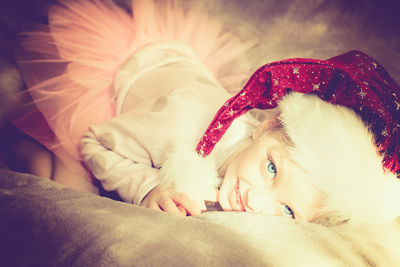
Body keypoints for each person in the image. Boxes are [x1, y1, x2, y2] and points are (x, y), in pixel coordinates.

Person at [10, 0, 400, 225]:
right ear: (264, 126)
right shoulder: (180, 125)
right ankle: (22, 146)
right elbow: (95, 138)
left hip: (186, 75)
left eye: (287, 210)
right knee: (70, 190)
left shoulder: (258, 173)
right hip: (132, 71)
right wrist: (146, 186)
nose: (256, 202)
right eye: (270, 169)